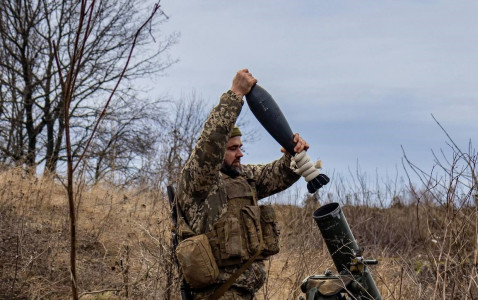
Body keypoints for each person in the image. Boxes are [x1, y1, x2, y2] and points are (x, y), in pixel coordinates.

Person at [175, 69, 310, 300]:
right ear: (219, 152)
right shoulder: (199, 182)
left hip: (245, 294)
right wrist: (235, 95)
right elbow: (210, 145)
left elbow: (277, 175)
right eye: (232, 148)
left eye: (240, 146)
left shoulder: (243, 177)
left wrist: (292, 155)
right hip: (217, 295)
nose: (240, 154)